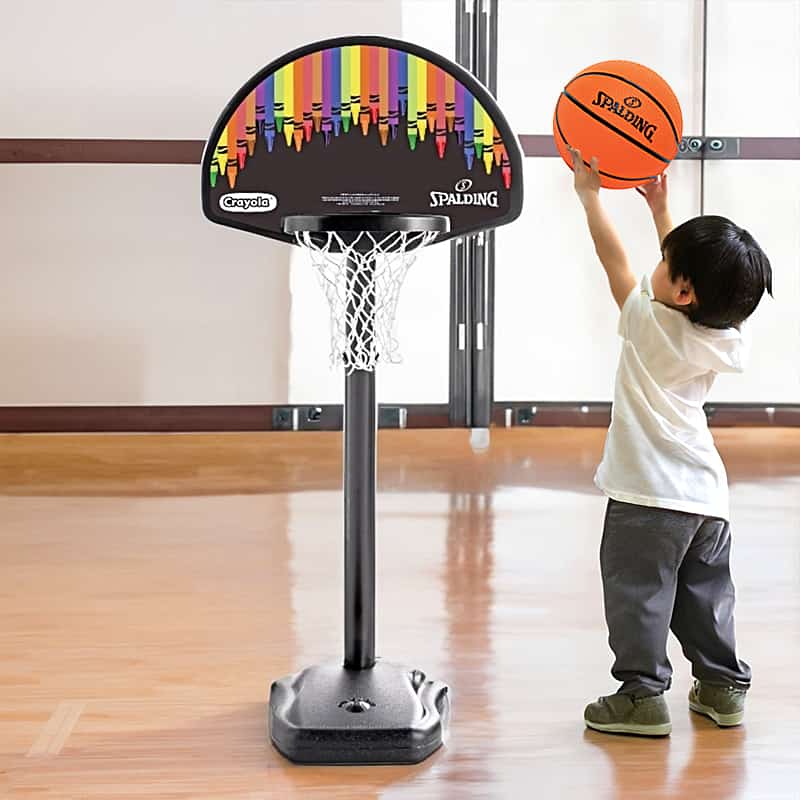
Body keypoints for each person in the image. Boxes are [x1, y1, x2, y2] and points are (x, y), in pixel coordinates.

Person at [568, 146, 773, 736]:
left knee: (638, 594)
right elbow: (685, 282)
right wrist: (662, 209)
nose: (657, 263)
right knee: (705, 595)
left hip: (647, 496)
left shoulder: (648, 324)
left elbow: (614, 262)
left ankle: (641, 697)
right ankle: (722, 686)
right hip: (706, 497)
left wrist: (589, 197)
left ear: (683, 291)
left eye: (665, 260)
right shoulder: (726, 337)